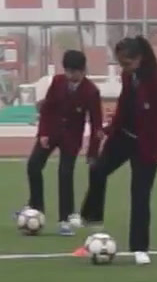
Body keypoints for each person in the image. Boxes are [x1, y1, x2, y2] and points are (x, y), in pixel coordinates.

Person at [77, 36, 157, 266]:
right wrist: (109, 129)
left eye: (127, 63)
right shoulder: (128, 76)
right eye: (121, 63)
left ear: (140, 58)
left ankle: (140, 248)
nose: (124, 67)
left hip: (148, 145)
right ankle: (93, 217)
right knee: (98, 169)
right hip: (123, 137)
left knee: (140, 195)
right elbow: (124, 106)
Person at [20, 49, 102, 236]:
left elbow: (96, 125)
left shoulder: (91, 91)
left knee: (65, 174)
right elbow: (47, 108)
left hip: (71, 139)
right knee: (33, 165)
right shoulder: (57, 82)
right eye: (67, 71)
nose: (70, 76)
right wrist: (43, 133)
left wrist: (93, 152)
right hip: (51, 133)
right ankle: (36, 207)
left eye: (74, 72)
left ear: (83, 71)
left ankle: (64, 219)